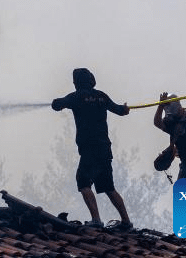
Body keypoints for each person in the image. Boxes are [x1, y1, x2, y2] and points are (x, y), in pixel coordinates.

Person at [51, 67, 132, 229]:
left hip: (89, 148)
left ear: (76, 82)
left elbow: (57, 105)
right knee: (109, 187)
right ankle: (126, 222)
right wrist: (125, 109)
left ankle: (96, 220)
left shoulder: (76, 96)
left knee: (83, 181)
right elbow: (120, 110)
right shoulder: (102, 96)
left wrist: (55, 103)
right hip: (104, 149)